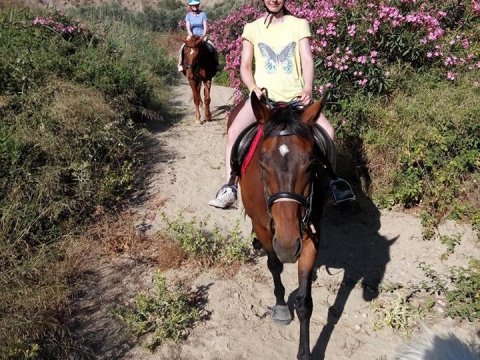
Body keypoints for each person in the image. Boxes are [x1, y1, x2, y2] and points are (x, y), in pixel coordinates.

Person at [208, 0, 355, 209]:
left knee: (328, 131)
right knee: (233, 133)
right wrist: (252, 87)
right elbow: (245, 66)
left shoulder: (299, 24)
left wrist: (307, 88)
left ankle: (331, 183)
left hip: (296, 98)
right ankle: (230, 186)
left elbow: (306, 59)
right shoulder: (252, 28)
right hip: (265, 100)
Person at [178, 0, 208, 72]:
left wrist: (203, 35)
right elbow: (188, 28)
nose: (195, 6)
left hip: (201, 36)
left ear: (198, 5)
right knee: (182, 47)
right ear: (190, 6)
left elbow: (205, 26)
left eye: (196, 5)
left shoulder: (203, 14)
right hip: (192, 36)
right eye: (193, 5)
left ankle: (216, 64)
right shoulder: (188, 16)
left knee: (211, 46)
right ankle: (179, 64)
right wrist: (192, 36)